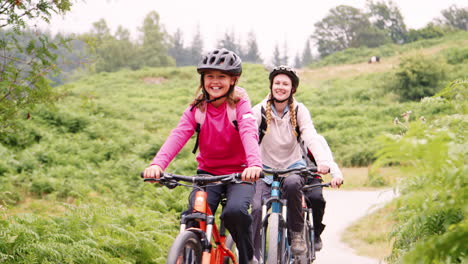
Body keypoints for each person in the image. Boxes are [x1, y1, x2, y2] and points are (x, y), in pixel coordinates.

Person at [143, 48, 262, 264]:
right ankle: (192, 251)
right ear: (203, 79)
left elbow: (248, 132)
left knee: (234, 212)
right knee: (194, 216)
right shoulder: (197, 108)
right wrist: (157, 164)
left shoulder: (239, 105)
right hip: (207, 175)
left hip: (240, 175)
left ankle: (248, 258)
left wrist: (253, 164)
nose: (215, 82)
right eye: (210, 76)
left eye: (221, 77)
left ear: (233, 80)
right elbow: (178, 135)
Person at [251, 65, 343, 260]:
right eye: (277, 83)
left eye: (286, 83)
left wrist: (323, 162)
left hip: (292, 167)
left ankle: (296, 235)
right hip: (264, 169)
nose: (280, 87)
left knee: (293, 186)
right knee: (257, 207)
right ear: (271, 86)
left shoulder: (300, 110)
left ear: (293, 88)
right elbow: (247, 136)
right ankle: (254, 254)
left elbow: (310, 136)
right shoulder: (258, 110)